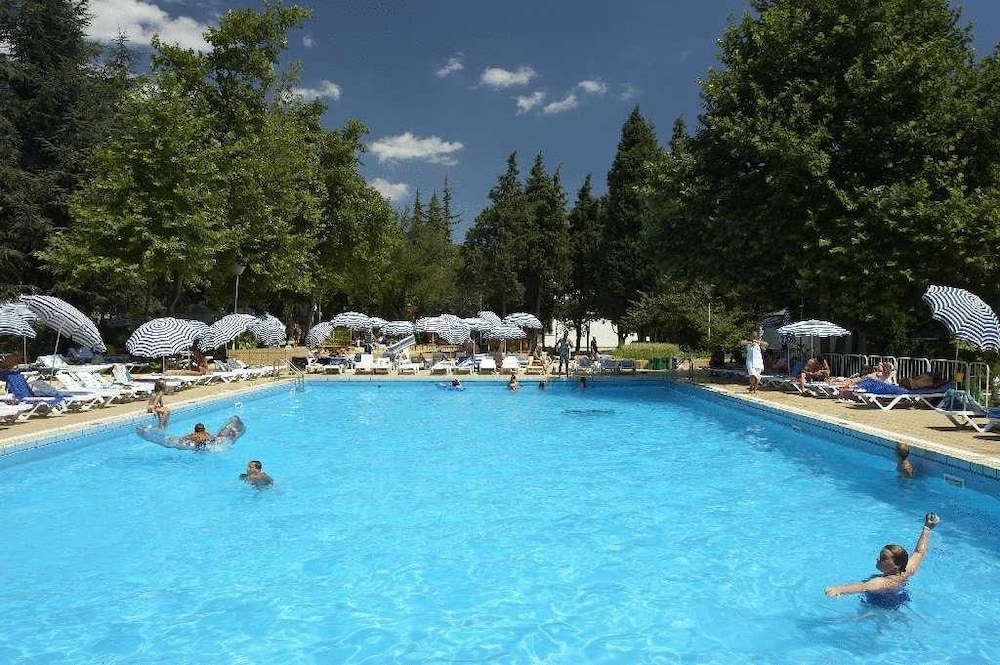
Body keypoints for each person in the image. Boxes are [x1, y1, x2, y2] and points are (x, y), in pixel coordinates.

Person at [825, 513, 940, 608]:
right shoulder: (906, 571)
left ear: (896, 565)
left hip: (879, 606)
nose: (878, 559)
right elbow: (919, 552)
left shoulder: (882, 582)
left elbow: (862, 587)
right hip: (900, 597)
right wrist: (927, 528)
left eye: (883, 558)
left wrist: (839, 589)